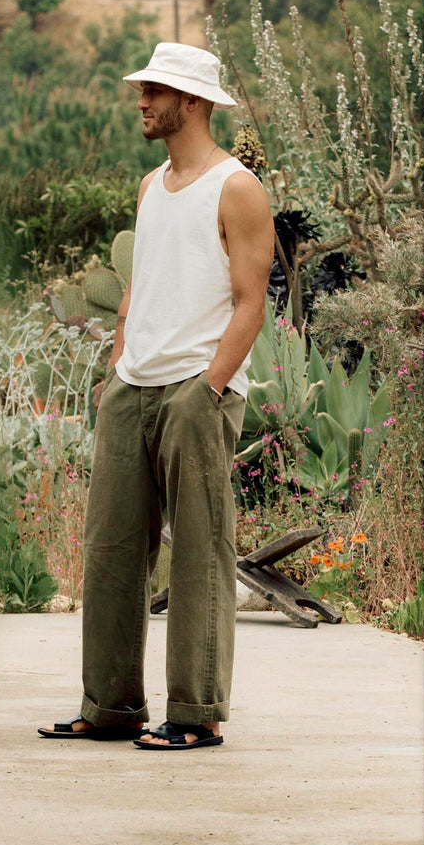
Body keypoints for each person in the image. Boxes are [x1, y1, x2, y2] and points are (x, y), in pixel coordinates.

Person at [38, 42, 275, 751]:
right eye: (142, 89)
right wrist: (118, 369)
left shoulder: (237, 187)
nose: (141, 100)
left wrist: (207, 388)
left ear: (194, 101)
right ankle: (109, 706)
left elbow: (251, 302)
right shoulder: (150, 185)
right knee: (110, 549)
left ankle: (196, 712)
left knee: (201, 551)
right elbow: (139, 287)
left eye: (155, 90)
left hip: (195, 390)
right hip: (132, 386)